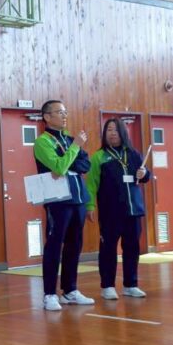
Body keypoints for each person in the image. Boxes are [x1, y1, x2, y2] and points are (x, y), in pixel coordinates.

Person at [33, 100, 96, 311]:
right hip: (58, 201)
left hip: (78, 198)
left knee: (74, 245)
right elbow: (59, 168)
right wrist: (75, 148)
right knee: (54, 245)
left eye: (65, 112)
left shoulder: (69, 139)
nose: (64, 115)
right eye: (59, 112)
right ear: (47, 117)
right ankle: (49, 293)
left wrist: (71, 158)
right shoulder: (42, 142)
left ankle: (70, 290)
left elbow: (85, 164)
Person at [86, 118, 153, 299]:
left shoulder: (133, 154)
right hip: (110, 212)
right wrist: (90, 205)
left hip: (134, 211)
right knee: (108, 248)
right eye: (108, 130)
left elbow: (147, 175)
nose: (112, 133)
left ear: (123, 132)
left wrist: (144, 173)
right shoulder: (99, 157)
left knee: (132, 248)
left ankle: (130, 284)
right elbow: (91, 184)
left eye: (115, 130)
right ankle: (107, 285)